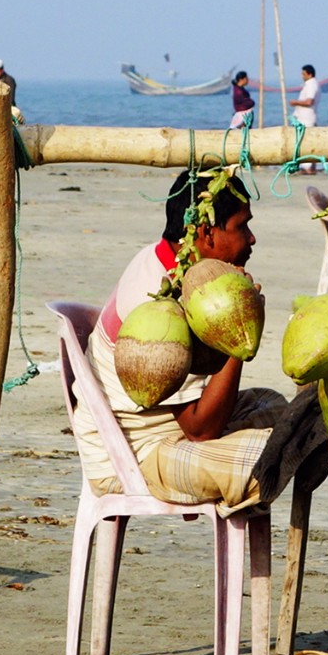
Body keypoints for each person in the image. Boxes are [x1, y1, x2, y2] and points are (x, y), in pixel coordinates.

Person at [76, 170, 286, 510]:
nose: (252, 239)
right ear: (206, 232)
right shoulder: (163, 305)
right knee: (266, 458)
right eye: (242, 226)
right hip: (135, 454)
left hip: (170, 430)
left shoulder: (171, 264)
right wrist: (241, 329)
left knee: (279, 410)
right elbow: (200, 430)